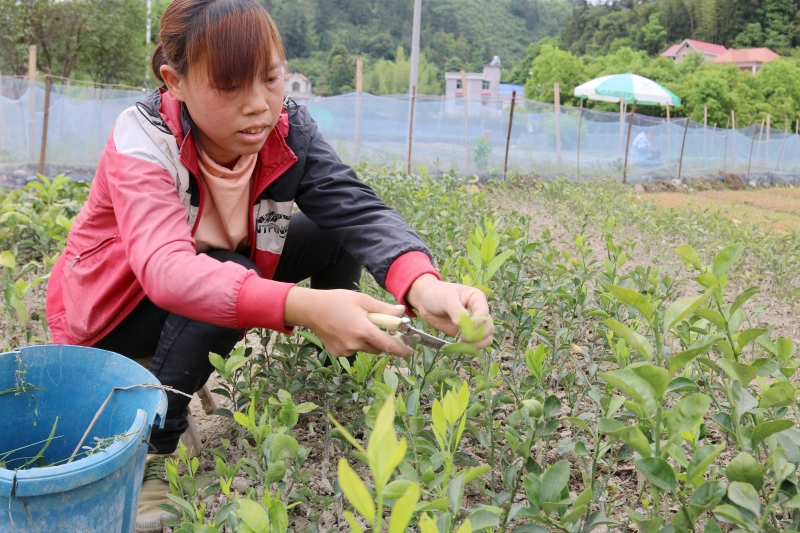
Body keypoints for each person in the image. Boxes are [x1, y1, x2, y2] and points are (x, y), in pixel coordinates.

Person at [44, 0, 493, 530]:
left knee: (330, 234)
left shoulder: (284, 128)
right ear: (175, 81)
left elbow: (353, 205)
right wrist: (304, 306)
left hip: (219, 278)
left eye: (271, 78)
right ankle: (152, 454)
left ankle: (332, 375)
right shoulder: (142, 139)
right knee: (224, 267)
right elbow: (169, 270)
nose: (258, 105)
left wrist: (421, 285)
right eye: (229, 86)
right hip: (112, 316)